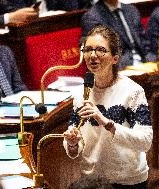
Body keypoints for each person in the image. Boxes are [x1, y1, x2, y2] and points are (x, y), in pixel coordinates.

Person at [63, 25, 153, 189]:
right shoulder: (81, 93)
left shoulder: (133, 92)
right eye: (88, 49)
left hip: (128, 181)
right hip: (93, 181)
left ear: (115, 58)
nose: (92, 55)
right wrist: (72, 143)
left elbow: (145, 141)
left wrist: (107, 123)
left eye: (100, 50)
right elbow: (77, 140)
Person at [81, 0, 153, 69]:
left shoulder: (131, 10)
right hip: (119, 67)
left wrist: (153, 60)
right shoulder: (92, 18)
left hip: (145, 63)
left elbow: (144, 43)